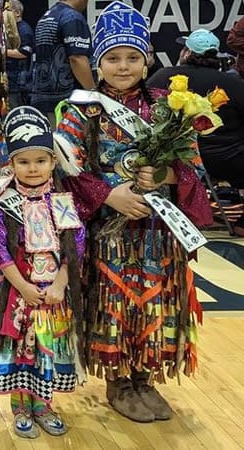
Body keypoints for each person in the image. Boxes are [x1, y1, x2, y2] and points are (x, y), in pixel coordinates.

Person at [54, 2, 212, 423]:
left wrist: (168, 175)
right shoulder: (82, 109)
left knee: (157, 302)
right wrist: (108, 195)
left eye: (132, 57)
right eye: (112, 58)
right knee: (117, 304)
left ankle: (145, 377)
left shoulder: (170, 107)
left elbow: (193, 167)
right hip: (111, 234)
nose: (122, 67)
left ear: (146, 61)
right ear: (98, 62)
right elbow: (67, 170)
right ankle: (119, 380)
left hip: (159, 233)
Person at [0, 106, 84, 439]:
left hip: (54, 292)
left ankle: (43, 404)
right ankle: (21, 406)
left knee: (48, 348)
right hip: (19, 292)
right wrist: (23, 287)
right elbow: (0, 252)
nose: (33, 168)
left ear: (53, 162)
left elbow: (75, 245)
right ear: (10, 165)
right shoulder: (2, 202)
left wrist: (60, 283)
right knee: (18, 349)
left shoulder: (62, 200)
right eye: (23, 162)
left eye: (41, 161)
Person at [148, 29, 244, 236]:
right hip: (228, 161)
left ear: (186, 53)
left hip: (177, 161)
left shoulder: (164, 76)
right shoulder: (233, 83)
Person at [30, 0, 94, 123]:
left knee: (54, 140)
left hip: (43, 98)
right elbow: (77, 58)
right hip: (69, 101)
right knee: (70, 140)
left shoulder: (45, 17)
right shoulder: (72, 17)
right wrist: (93, 92)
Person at [6, 0, 34, 108]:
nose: (5, 14)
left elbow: (25, 52)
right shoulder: (11, 29)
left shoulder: (24, 30)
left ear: (17, 13)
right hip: (10, 79)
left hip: (18, 82)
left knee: (17, 112)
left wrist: (2, 52)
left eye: (8, 10)